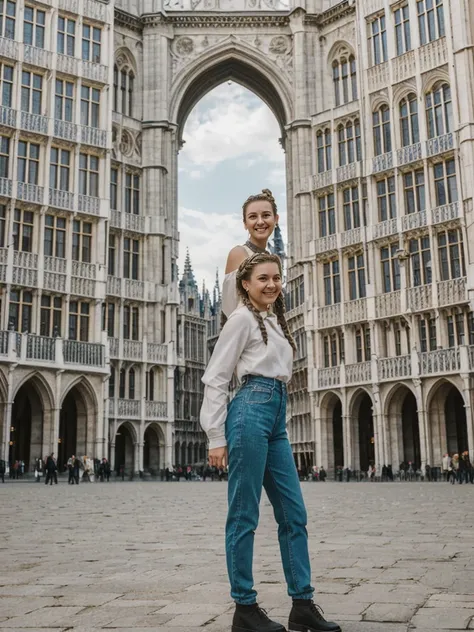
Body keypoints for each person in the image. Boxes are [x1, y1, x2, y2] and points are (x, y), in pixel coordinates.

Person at [200, 253, 340, 632]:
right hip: (249, 410)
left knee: (294, 514)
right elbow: (215, 377)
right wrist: (215, 435)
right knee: (244, 514)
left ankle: (302, 603)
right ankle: (244, 607)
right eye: (262, 278)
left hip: (276, 414)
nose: (271, 284)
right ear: (245, 284)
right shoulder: (242, 319)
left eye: (276, 278)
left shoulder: (276, 321)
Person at [221, 189, 279, 322]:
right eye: (253, 217)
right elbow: (231, 308)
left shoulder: (271, 259)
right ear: (245, 224)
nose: (260, 222)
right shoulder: (239, 254)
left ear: (276, 219)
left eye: (266, 215)